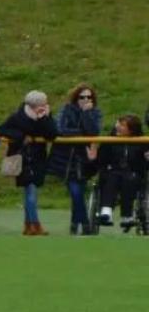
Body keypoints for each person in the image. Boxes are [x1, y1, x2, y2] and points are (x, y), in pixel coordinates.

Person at [0, 90, 57, 236]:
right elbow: (1, 130)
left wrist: (44, 118)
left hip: (38, 158)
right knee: (31, 191)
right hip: (22, 158)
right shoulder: (17, 117)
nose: (44, 106)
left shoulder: (45, 116)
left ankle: (28, 225)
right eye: (42, 104)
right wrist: (22, 136)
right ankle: (35, 224)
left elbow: (52, 134)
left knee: (31, 190)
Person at [47, 83, 101, 235]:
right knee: (75, 192)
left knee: (79, 192)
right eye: (82, 96)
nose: (85, 99)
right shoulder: (67, 109)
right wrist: (82, 134)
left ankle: (74, 224)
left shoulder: (95, 112)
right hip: (65, 157)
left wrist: (86, 114)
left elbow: (93, 131)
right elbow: (61, 130)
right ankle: (85, 224)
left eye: (88, 97)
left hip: (83, 158)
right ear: (76, 97)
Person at [95, 115, 148, 233]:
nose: (118, 127)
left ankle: (127, 215)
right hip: (113, 171)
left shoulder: (142, 142)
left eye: (122, 125)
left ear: (131, 129)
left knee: (129, 179)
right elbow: (100, 161)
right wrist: (93, 157)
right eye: (118, 124)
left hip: (133, 173)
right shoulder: (109, 141)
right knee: (112, 178)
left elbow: (144, 166)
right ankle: (106, 211)